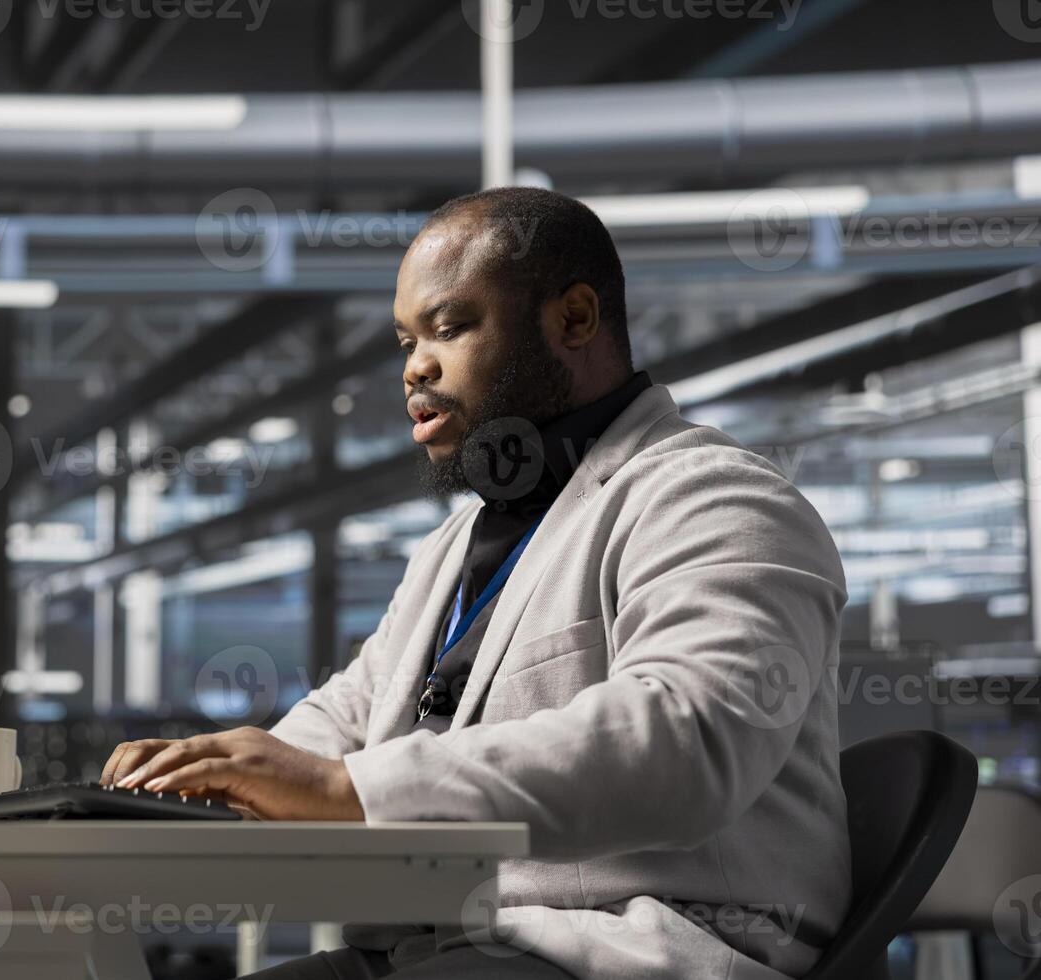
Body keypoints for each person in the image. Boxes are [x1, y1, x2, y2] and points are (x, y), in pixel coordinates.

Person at [102, 187, 851, 979]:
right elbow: (353, 711)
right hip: (447, 945)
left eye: (449, 327)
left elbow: (685, 740)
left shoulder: (717, 498)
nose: (413, 367)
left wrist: (343, 789)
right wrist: (201, 781)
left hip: (631, 946)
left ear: (574, 319)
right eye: (404, 339)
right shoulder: (458, 543)